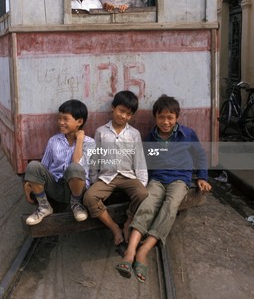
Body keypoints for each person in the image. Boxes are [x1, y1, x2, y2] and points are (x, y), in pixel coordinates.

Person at [116, 94, 212, 283]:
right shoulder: (150, 137)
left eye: (170, 118)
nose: (165, 122)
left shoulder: (188, 134)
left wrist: (202, 177)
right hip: (157, 179)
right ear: (155, 118)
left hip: (179, 180)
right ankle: (130, 252)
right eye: (161, 117)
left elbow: (200, 155)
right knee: (147, 205)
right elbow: (143, 161)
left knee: (170, 207)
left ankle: (144, 251)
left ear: (177, 118)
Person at [83, 90, 148, 245]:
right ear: (113, 108)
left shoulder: (134, 134)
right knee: (89, 197)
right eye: (121, 111)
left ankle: (128, 223)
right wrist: (93, 180)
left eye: (129, 114)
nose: (124, 116)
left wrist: (142, 182)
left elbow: (139, 159)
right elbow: (95, 157)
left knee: (143, 194)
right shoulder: (101, 132)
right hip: (107, 177)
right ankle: (114, 228)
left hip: (128, 176)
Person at [24, 99, 95, 225]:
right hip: (55, 186)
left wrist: (80, 140)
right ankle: (44, 206)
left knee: (75, 168)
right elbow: (43, 168)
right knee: (33, 166)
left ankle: (76, 204)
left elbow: (77, 164)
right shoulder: (53, 141)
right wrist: (30, 181)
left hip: (76, 189)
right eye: (59, 119)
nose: (61, 123)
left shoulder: (89, 143)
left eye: (65, 119)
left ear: (79, 122)